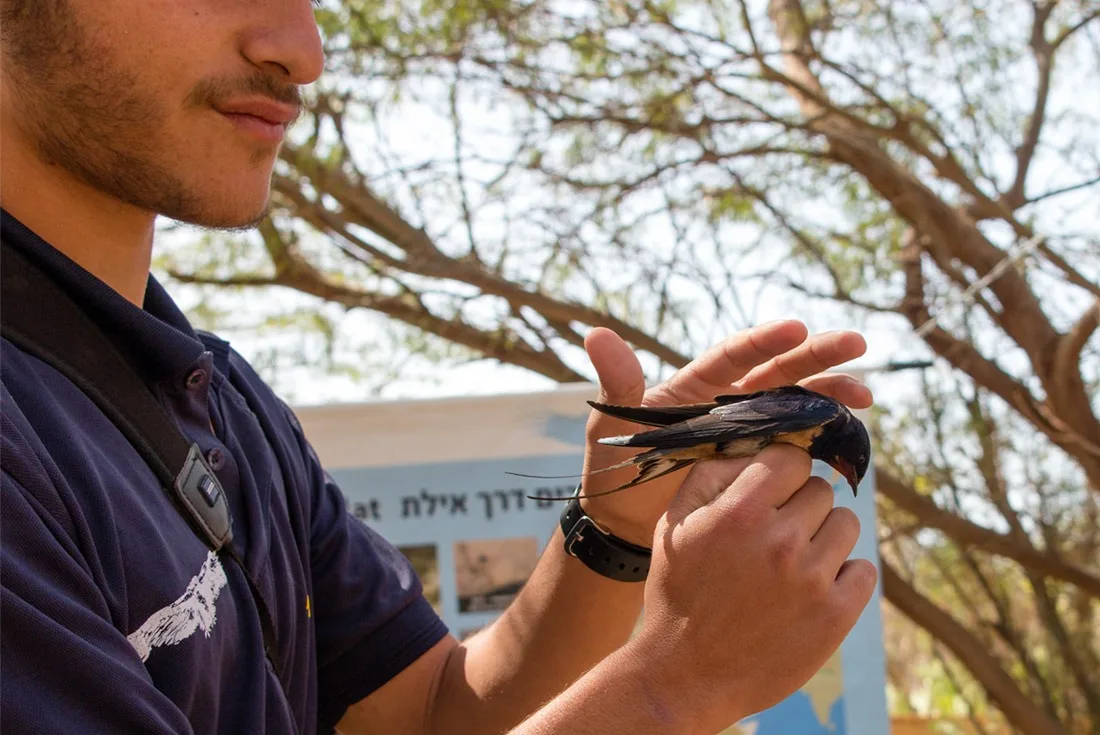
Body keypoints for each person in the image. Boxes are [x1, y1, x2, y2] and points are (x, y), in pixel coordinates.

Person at [0, 1, 878, 733]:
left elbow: (431, 712)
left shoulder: (219, 397)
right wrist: (672, 685)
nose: (300, 53)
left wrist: (614, 537)